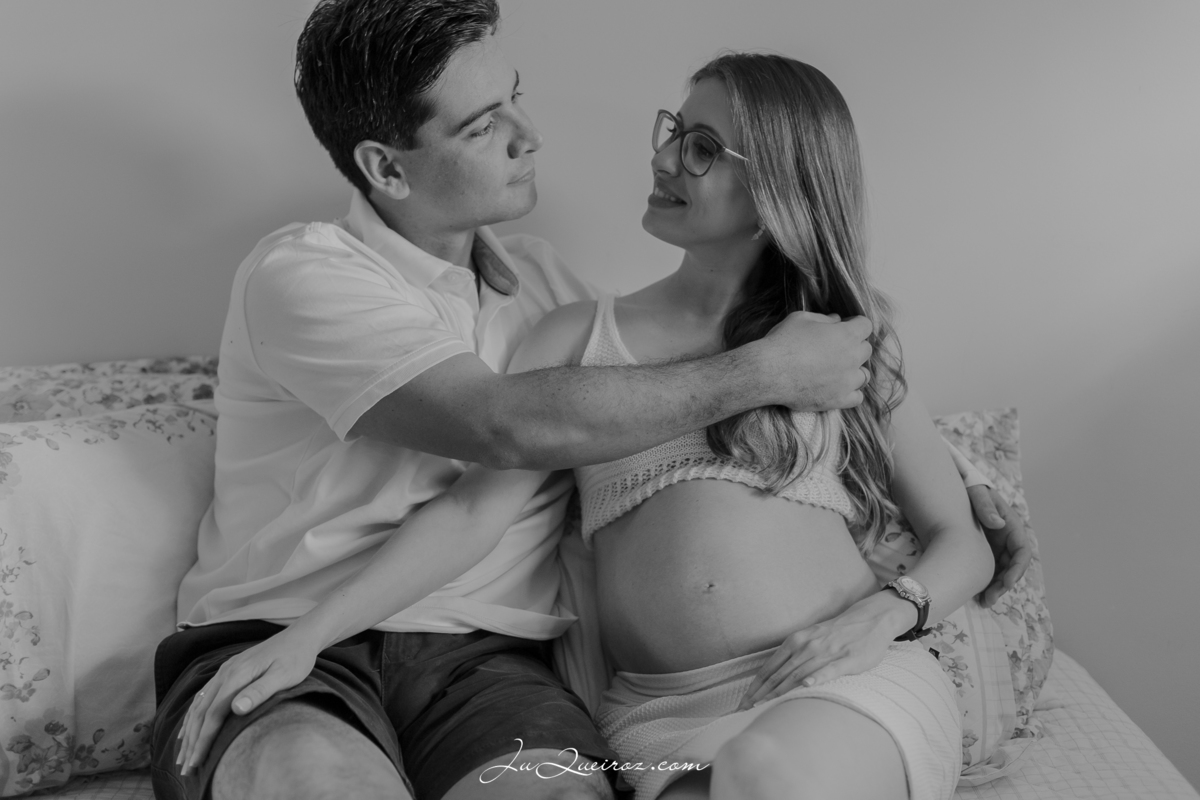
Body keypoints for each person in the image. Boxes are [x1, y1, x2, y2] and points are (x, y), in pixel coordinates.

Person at [156, 2, 1030, 799]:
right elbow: (504, 434)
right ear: (386, 168)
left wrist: (956, 482)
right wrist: (770, 372)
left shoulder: (545, 284)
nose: (530, 136)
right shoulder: (306, 274)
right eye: (484, 124)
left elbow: (660, 398)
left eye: (515, 99)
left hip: (489, 670)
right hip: (310, 644)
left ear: (780, 191)